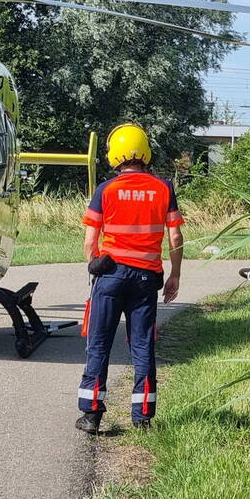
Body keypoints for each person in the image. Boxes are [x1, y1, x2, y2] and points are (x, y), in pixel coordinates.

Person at [76, 124, 185, 435]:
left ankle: (92, 416)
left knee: (99, 344)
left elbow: (89, 240)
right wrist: (175, 274)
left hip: (110, 276)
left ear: (115, 155)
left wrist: (94, 262)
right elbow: (175, 235)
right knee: (142, 346)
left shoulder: (106, 190)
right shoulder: (164, 188)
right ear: (144, 153)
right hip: (146, 280)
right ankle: (143, 418)